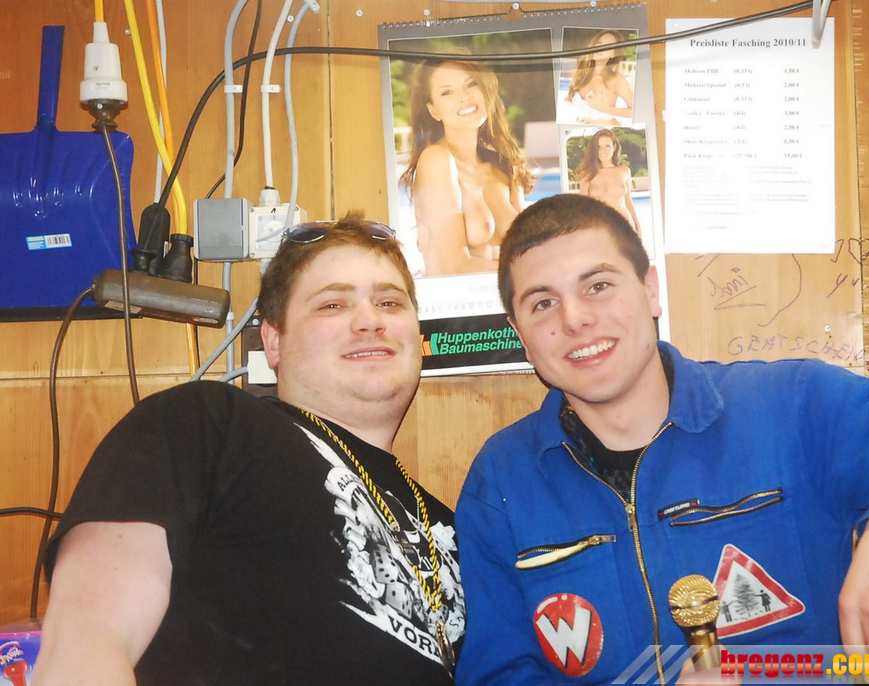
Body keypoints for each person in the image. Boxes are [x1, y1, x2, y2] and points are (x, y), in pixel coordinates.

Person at [453, 194, 869, 685]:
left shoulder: (792, 406)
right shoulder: (500, 481)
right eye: (543, 303)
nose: (575, 318)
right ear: (521, 333)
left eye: (598, 285)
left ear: (651, 291)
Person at [35, 216, 466, 685]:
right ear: (273, 341)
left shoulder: (453, 523)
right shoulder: (204, 423)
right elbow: (85, 646)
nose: (370, 321)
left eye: (389, 302)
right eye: (333, 304)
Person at [400, 58, 533, 276]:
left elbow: (526, 252)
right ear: (434, 111)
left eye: (471, 84)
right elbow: (453, 267)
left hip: (511, 294)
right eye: (447, 92)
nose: (464, 97)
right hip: (462, 297)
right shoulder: (436, 160)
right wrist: (531, 271)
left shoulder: (504, 165)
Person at [576, 128, 642, 234]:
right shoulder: (588, 174)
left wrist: (639, 228)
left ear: (614, 147)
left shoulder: (624, 171)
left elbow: (628, 202)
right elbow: (583, 208)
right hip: (601, 229)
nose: (603, 151)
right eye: (598, 147)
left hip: (626, 226)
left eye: (607, 146)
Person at [562, 30, 634, 126]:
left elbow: (634, 111)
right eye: (598, 42)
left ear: (614, 54)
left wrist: (604, 109)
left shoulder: (616, 79)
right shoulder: (580, 74)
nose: (600, 47)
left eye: (607, 45)